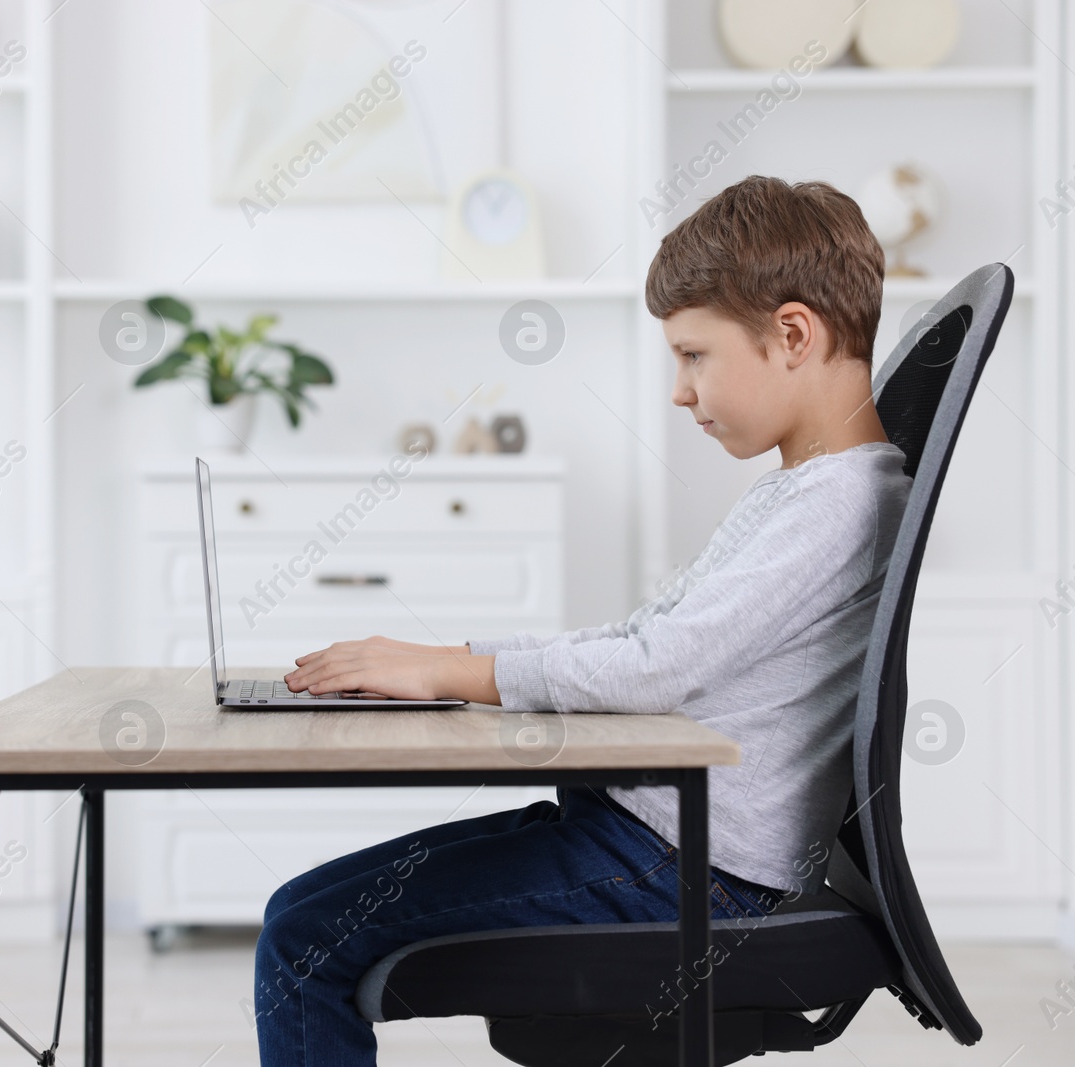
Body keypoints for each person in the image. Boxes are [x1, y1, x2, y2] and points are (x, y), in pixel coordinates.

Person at [254, 175, 915, 1066]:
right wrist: (449, 658)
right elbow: (641, 637)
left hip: (688, 867)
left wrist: (452, 674)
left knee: (306, 938)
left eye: (693, 355)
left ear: (792, 334)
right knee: (301, 911)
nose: (680, 391)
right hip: (653, 835)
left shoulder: (834, 505)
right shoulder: (804, 494)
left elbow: (654, 666)